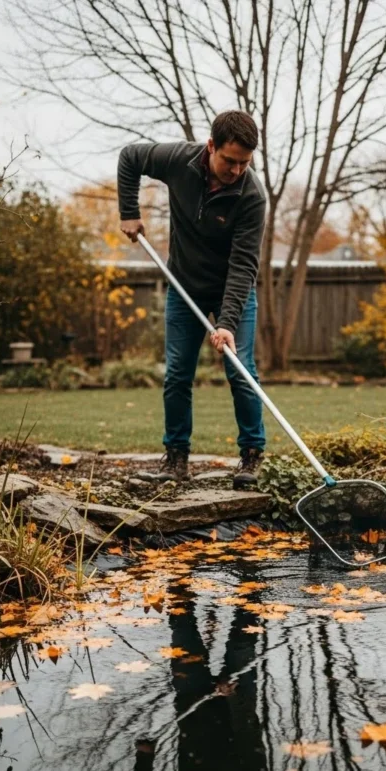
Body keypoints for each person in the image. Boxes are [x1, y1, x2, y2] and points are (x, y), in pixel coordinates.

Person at [117, 110, 267, 488]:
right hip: (184, 286)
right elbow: (130, 157)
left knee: (241, 370)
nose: (235, 170)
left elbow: (244, 264)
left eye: (244, 163)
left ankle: (251, 458)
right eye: (229, 160)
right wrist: (129, 212)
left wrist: (227, 323)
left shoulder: (251, 196)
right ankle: (176, 459)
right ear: (211, 145)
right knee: (178, 374)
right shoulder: (178, 160)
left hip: (233, 288)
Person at [133, 589, 267, 771]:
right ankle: (251, 580)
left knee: (183, 632)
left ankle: (178, 582)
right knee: (243, 640)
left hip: (192, 699)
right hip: (237, 696)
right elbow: (248, 729)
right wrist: (231, 696)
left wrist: (145, 757)